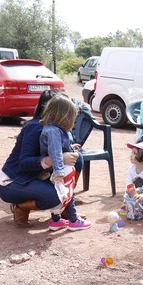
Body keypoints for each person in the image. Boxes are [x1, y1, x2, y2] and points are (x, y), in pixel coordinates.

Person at [0, 90, 81, 227]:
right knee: (54, 197)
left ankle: (65, 208)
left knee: (78, 159)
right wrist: (54, 159)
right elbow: (23, 163)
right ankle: (20, 207)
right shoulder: (35, 128)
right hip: (13, 182)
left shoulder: (55, 128)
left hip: (34, 177)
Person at [39, 95, 92, 231]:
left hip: (59, 167)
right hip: (60, 168)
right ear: (63, 116)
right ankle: (73, 220)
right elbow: (55, 152)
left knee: (61, 193)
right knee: (68, 193)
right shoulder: (53, 132)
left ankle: (55, 220)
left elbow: (60, 148)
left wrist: (71, 147)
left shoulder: (55, 129)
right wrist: (59, 171)